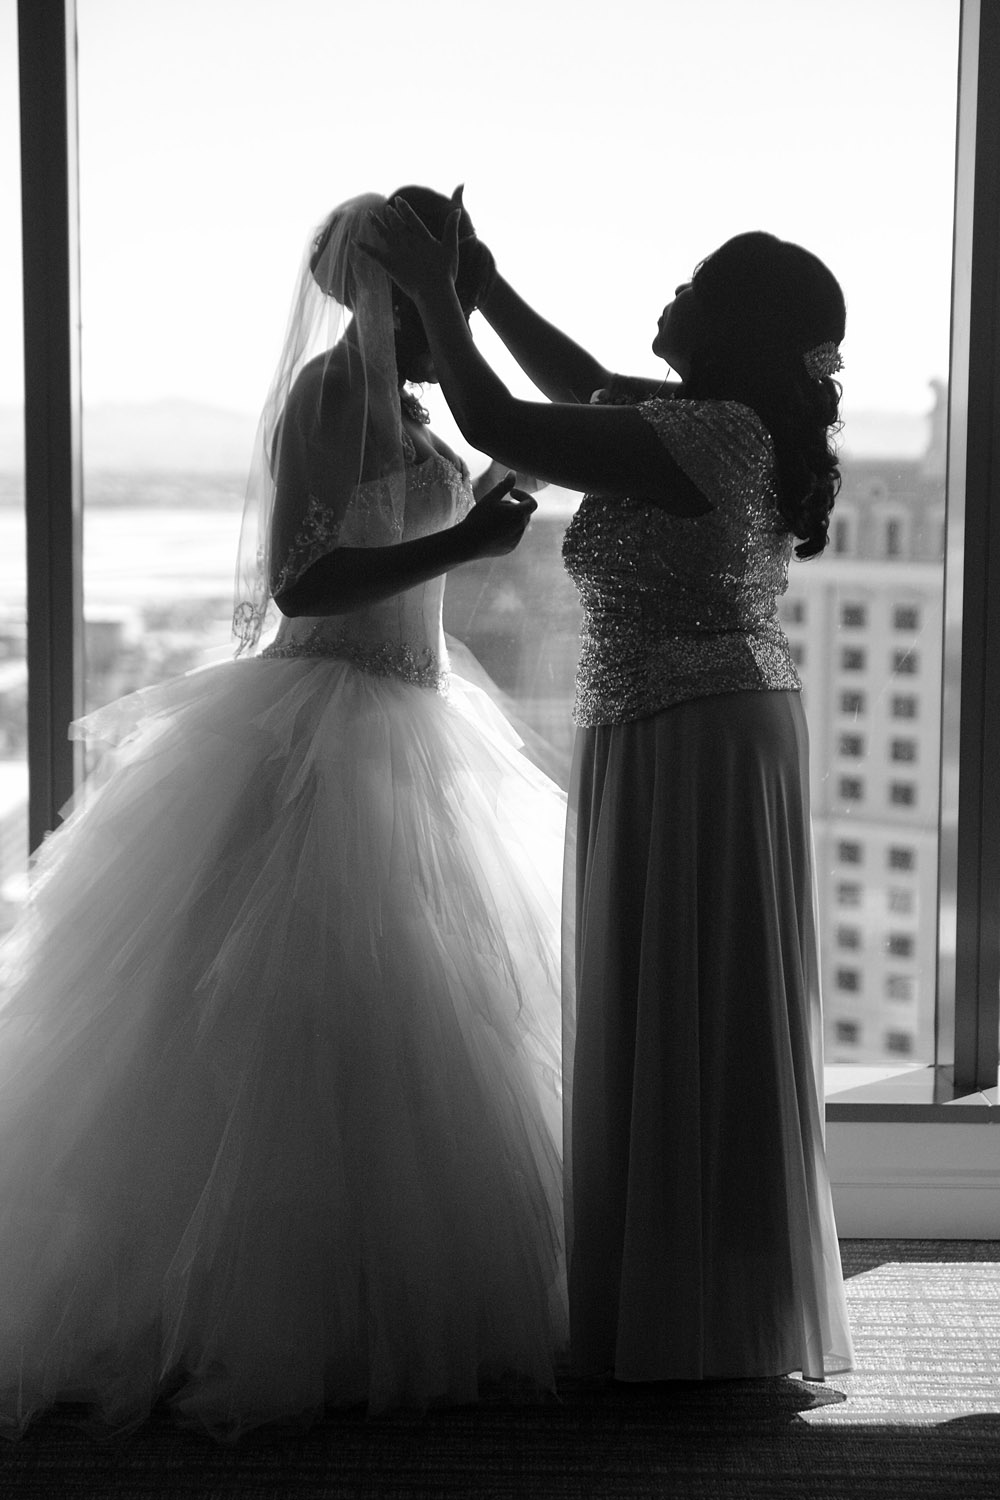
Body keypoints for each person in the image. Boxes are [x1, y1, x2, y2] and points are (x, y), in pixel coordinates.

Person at [0, 188, 567, 1441]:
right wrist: (468, 540)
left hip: (411, 715)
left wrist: (488, 503)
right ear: (386, 293)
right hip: (329, 722)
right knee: (289, 1029)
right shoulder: (328, 396)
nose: (453, 327)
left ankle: (370, 1303)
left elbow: (409, 544)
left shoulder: (406, 407)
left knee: (404, 1021)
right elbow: (304, 582)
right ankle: (247, 1311)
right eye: (441, 300)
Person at [362, 194, 855, 1383]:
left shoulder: (706, 436)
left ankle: (696, 1312)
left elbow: (496, 418)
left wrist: (433, 295)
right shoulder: (710, 423)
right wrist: (485, 285)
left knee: (686, 996)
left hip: (693, 735)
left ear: (730, 329)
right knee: (683, 999)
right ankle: (697, 1296)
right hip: (684, 727)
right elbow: (579, 381)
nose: (671, 296)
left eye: (694, 288)